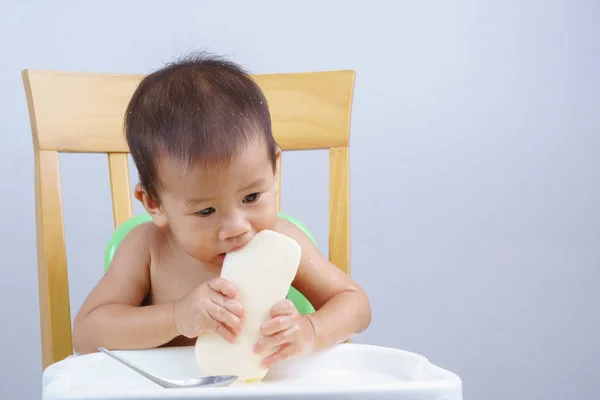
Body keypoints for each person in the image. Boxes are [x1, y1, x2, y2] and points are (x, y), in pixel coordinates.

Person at [72, 52, 371, 370]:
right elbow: (87, 334)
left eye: (252, 196)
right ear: (154, 204)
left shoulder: (284, 239)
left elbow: (355, 304)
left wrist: (312, 331)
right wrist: (177, 316)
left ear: (275, 171)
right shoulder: (147, 249)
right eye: (205, 211)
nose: (237, 227)